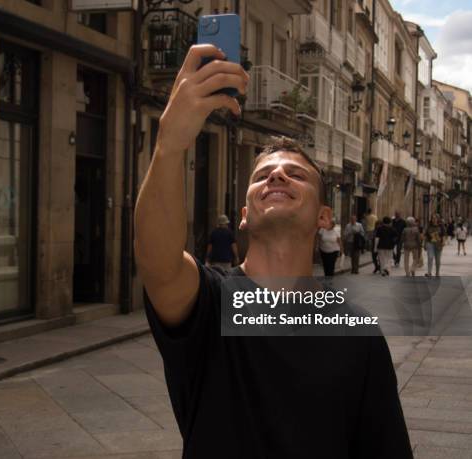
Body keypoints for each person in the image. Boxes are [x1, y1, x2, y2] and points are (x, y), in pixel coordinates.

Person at [135, 44, 412, 458]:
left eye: (295, 174)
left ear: (324, 217)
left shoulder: (359, 333)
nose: (278, 174)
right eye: (263, 174)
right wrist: (170, 145)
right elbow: (157, 259)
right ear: (244, 215)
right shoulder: (209, 303)